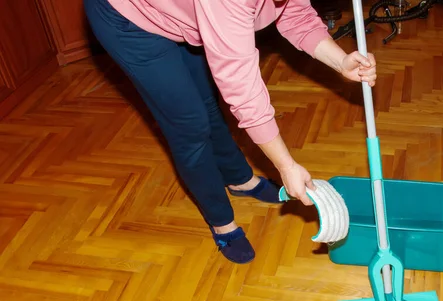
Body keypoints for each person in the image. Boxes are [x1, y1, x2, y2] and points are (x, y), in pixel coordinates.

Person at [83, 0, 377, 264]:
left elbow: (294, 12)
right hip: (128, 18)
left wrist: (340, 61)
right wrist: (285, 165)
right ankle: (221, 221)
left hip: (184, 12)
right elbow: (243, 91)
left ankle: (240, 180)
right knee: (189, 125)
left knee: (207, 106)